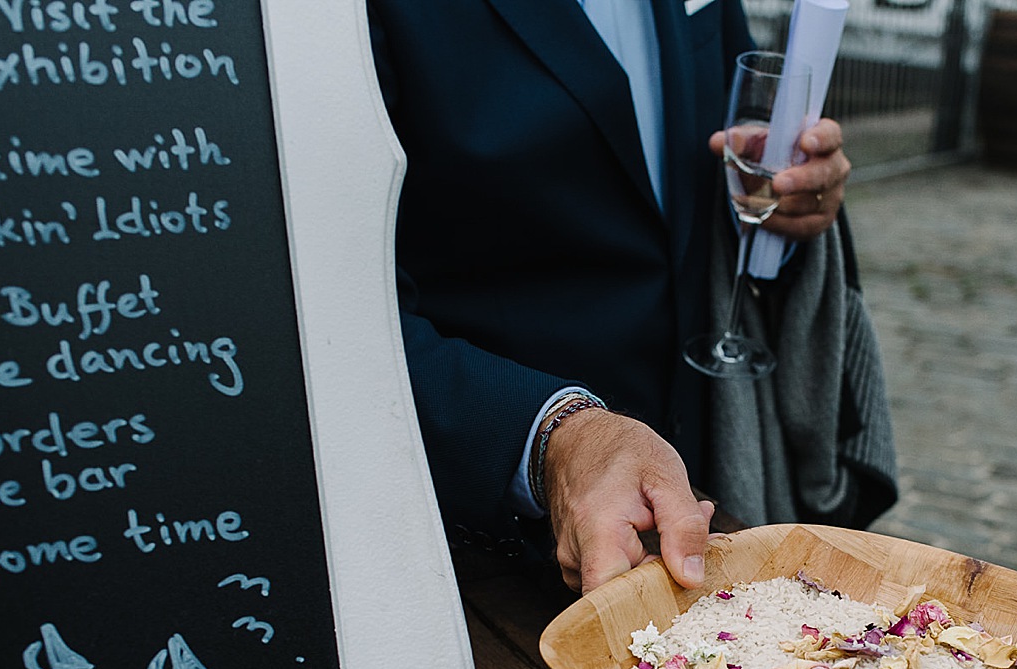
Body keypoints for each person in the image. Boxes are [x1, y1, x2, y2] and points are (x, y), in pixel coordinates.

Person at [367, 0, 892, 595]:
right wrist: (551, 437)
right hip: (478, 552)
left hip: (700, 489)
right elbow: (329, 313)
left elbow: (725, 163)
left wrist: (791, 207)